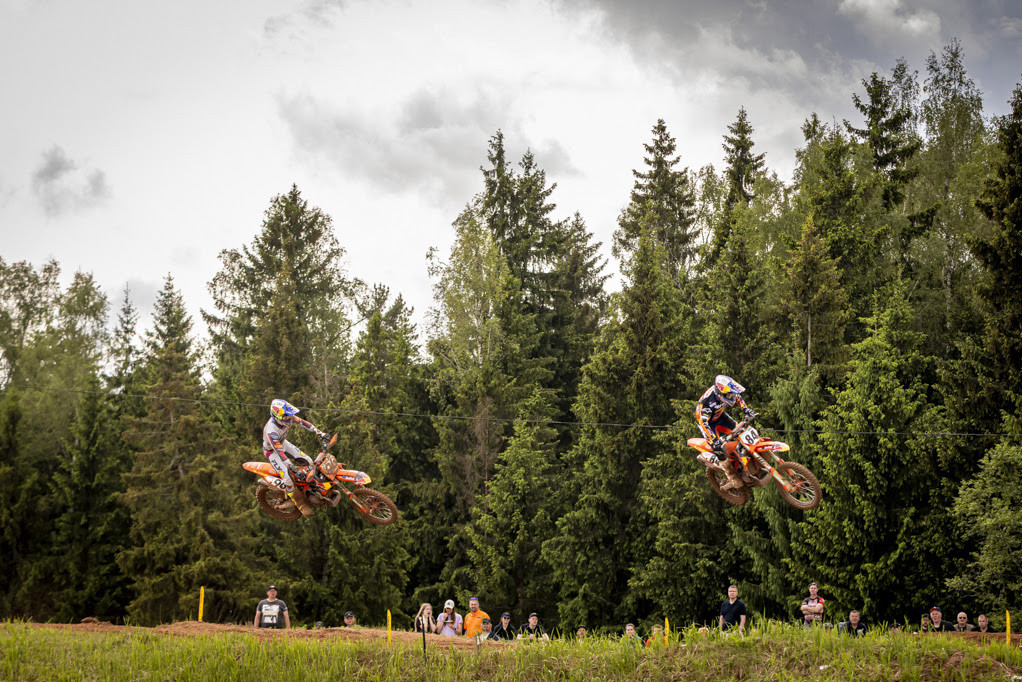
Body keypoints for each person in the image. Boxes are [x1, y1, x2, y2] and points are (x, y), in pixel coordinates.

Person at [262, 398, 330, 517]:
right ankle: (299, 503)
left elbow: (304, 423)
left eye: (289, 416)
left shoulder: (288, 417)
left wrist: (319, 433)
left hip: (283, 443)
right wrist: (292, 468)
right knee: (287, 477)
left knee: (308, 461)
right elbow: (280, 453)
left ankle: (308, 488)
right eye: (287, 417)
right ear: (277, 416)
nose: (290, 418)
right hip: (272, 452)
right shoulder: (271, 431)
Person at [695, 375, 757, 487]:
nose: (731, 396)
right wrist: (714, 440)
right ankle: (731, 476)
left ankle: (744, 461)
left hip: (720, 416)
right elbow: (704, 424)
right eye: (729, 395)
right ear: (720, 393)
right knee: (718, 447)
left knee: (741, 431)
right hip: (707, 424)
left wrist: (746, 409)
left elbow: (737, 396)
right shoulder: (706, 403)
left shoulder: (725, 392)